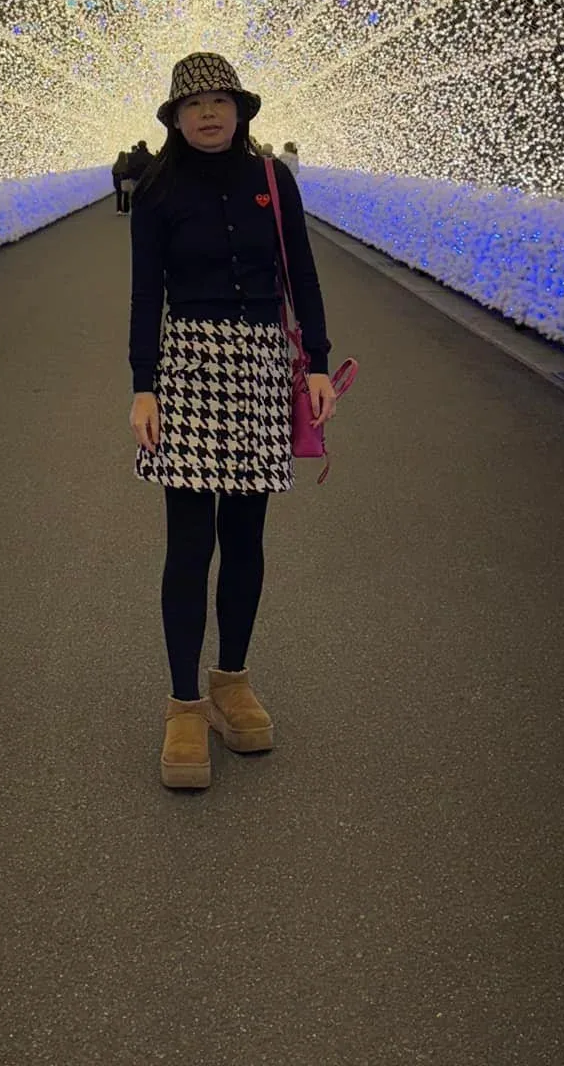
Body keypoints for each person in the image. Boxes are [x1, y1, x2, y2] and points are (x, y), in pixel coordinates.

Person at [127, 51, 336, 791]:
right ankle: (184, 702)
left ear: (240, 110)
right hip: (187, 366)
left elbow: (301, 273)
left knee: (245, 536)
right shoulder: (157, 191)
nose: (209, 113)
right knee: (189, 542)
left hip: (257, 367)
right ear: (176, 119)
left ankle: (232, 679)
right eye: (194, 105)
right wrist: (143, 385)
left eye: (220, 101)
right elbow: (145, 291)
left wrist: (315, 361)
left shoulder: (274, 182)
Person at [112, 147, 131, 214]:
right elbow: (128, 173)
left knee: (119, 196)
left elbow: (113, 173)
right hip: (125, 182)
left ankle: (119, 210)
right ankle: (126, 210)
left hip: (117, 182)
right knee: (126, 196)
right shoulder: (126, 164)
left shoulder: (115, 165)